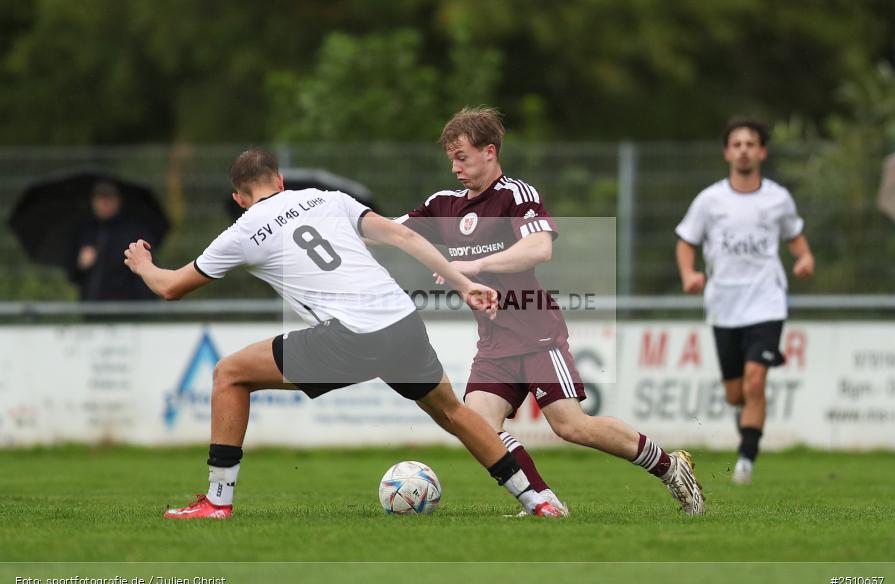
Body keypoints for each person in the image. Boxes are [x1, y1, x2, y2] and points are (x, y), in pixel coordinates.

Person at [123, 148, 563, 519]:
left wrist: (143, 265)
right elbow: (401, 237)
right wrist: (465, 283)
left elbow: (170, 287)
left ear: (239, 197)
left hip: (353, 335)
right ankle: (537, 498)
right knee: (451, 412)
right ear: (279, 179)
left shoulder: (242, 231)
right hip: (402, 321)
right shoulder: (326, 198)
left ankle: (217, 503)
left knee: (229, 375)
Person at [397, 107, 704, 516]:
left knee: (571, 426)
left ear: (490, 152)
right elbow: (391, 230)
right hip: (494, 343)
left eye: (462, 157)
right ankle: (543, 501)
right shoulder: (444, 205)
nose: (454, 167)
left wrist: (472, 266)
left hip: (536, 333)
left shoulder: (515, 195)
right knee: (479, 426)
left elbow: (539, 248)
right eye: (451, 158)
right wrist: (340, 220)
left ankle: (670, 467)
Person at [675, 118, 815, 485]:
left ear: (762, 151)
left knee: (755, 383)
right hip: (724, 305)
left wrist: (804, 258)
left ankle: (746, 461)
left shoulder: (778, 198)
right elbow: (686, 241)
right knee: (736, 393)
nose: (743, 150)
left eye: (750, 144)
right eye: (736, 144)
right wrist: (689, 273)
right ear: (727, 152)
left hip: (767, 301)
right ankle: (752, 395)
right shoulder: (710, 200)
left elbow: (795, 237)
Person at [70, 181, 158, 301]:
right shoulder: (86, 231)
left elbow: (147, 271)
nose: (104, 203)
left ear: (118, 200)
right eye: (100, 198)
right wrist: (80, 264)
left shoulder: (135, 231)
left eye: (109, 198)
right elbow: (73, 275)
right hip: (91, 307)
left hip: (127, 308)